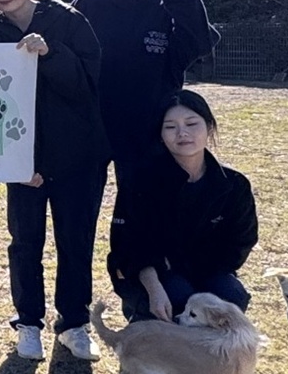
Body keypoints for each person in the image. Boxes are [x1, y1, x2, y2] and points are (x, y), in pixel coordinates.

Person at [0, 0, 110, 361]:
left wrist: (50, 54)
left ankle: (73, 322)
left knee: (76, 240)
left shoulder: (66, 20)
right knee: (25, 242)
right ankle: (28, 322)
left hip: (79, 157)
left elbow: (87, 85)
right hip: (23, 162)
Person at [73, 0, 218, 188]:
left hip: (150, 127)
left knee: (144, 211)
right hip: (92, 125)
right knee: (80, 210)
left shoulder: (172, 2)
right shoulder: (88, 4)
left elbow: (199, 41)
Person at [107, 88, 257, 322]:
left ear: (209, 127)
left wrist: (199, 271)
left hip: (209, 271)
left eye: (191, 124)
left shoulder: (233, 185)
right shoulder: (141, 181)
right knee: (177, 296)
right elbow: (129, 245)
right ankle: (142, 318)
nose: (182, 133)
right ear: (160, 133)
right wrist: (154, 287)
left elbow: (241, 241)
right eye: (170, 127)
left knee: (232, 296)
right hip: (156, 275)